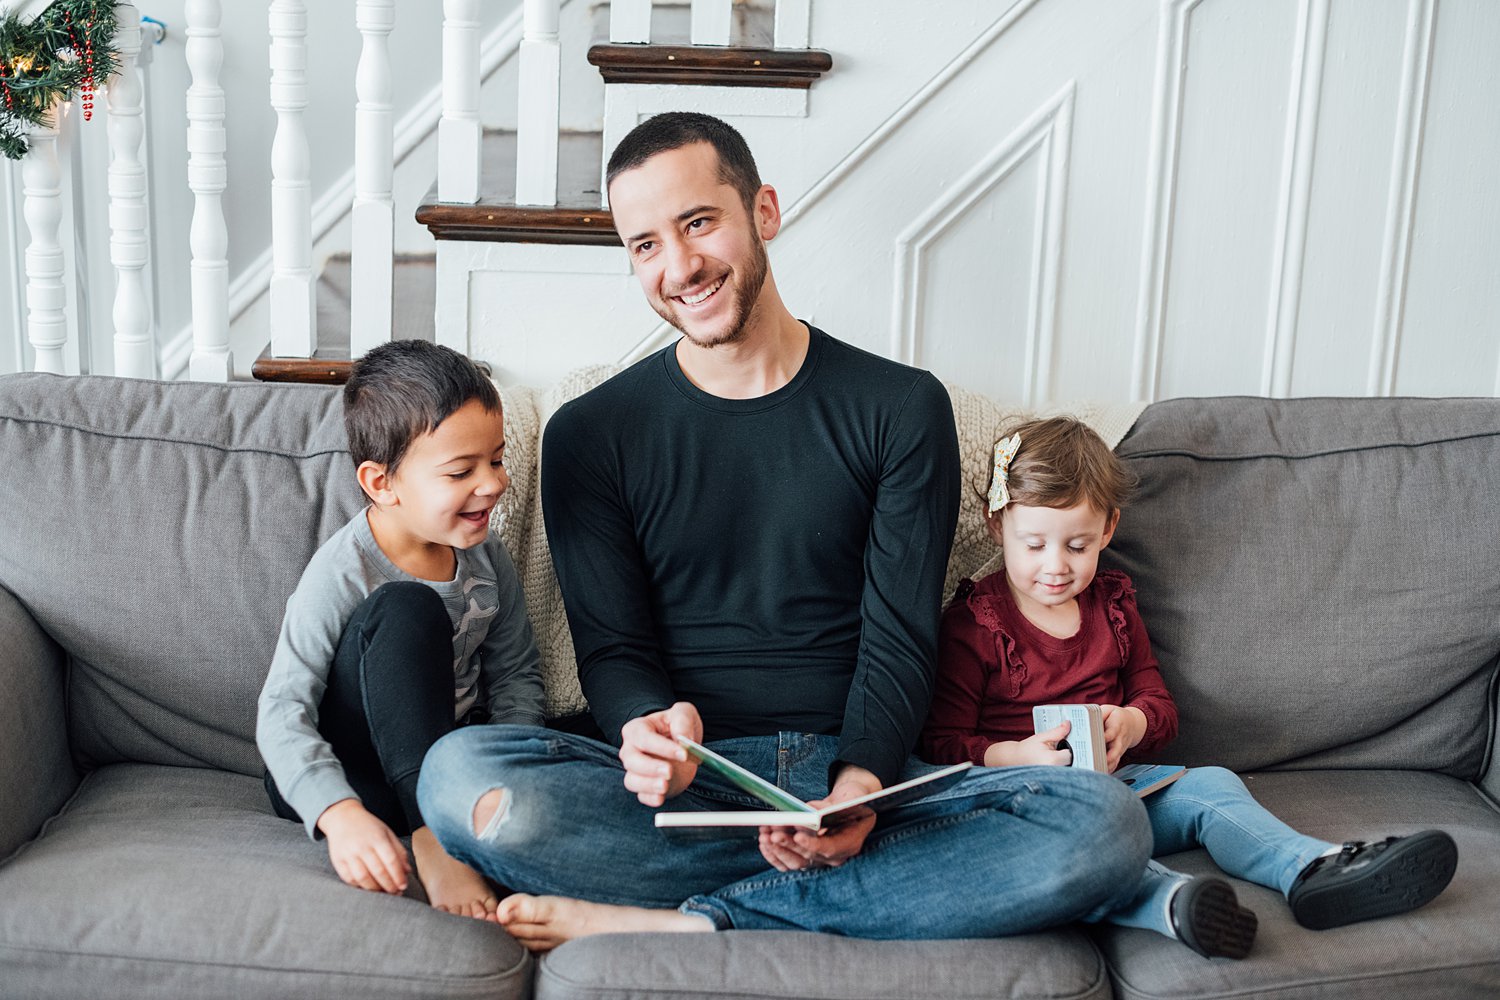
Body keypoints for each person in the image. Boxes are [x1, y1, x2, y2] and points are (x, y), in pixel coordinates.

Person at [416, 111, 1154, 951]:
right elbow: (613, 648)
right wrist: (647, 729)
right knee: (459, 778)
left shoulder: (902, 409)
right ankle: (844, 900)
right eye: (645, 245)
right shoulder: (590, 434)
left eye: (699, 223)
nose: (680, 266)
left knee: (1107, 825)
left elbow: (901, 637)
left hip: (865, 774)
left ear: (763, 211)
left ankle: (697, 920)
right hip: (692, 791)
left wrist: (862, 787)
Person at [919, 416, 1459, 958]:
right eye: (1033, 545)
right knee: (1093, 839)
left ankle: (1311, 868)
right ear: (996, 526)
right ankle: (1175, 903)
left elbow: (1157, 703)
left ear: (1108, 529)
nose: (1056, 566)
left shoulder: (1113, 606)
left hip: (1120, 782)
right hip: (1024, 800)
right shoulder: (976, 624)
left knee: (1213, 786)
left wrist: (1132, 724)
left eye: (1078, 546)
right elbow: (939, 743)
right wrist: (1012, 756)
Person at [256, 339, 545, 920]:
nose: (491, 483)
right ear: (382, 483)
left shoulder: (486, 554)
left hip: (447, 756)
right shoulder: (343, 570)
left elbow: (516, 673)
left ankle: (471, 822)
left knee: (581, 743)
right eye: (461, 471)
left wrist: (503, 768)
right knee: (408, 608)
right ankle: (433, 837)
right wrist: (338, 814)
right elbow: (282, 708)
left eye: (496, 458)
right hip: (354, 770)